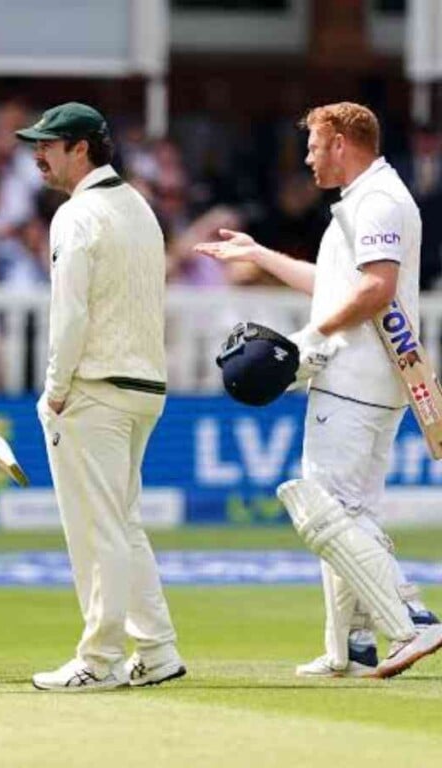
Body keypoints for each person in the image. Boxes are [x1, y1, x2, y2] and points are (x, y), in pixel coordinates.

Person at [195, 102, 442, 678]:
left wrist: (314, 336)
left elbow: (377, 290)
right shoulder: (361, 202)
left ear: (342, 144)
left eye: (313, 145)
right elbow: (335, 284)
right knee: (348, 511)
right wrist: (259, 255)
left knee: (322, 509)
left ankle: (413, 618)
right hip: (367, 376)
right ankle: (351, 649)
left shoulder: (378, 200)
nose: (306, 156)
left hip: (357, 376)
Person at [15, 103, 185, 691]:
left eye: (48, 145)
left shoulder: (77, 213)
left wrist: (55, 389)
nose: (37, 155)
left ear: (80, 149)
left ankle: (101, 658)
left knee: (96, 528)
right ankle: (157, 648)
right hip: (145, 388)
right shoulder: (139, 205)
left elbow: (71, 313)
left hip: (97, 387)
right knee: (122, 522)